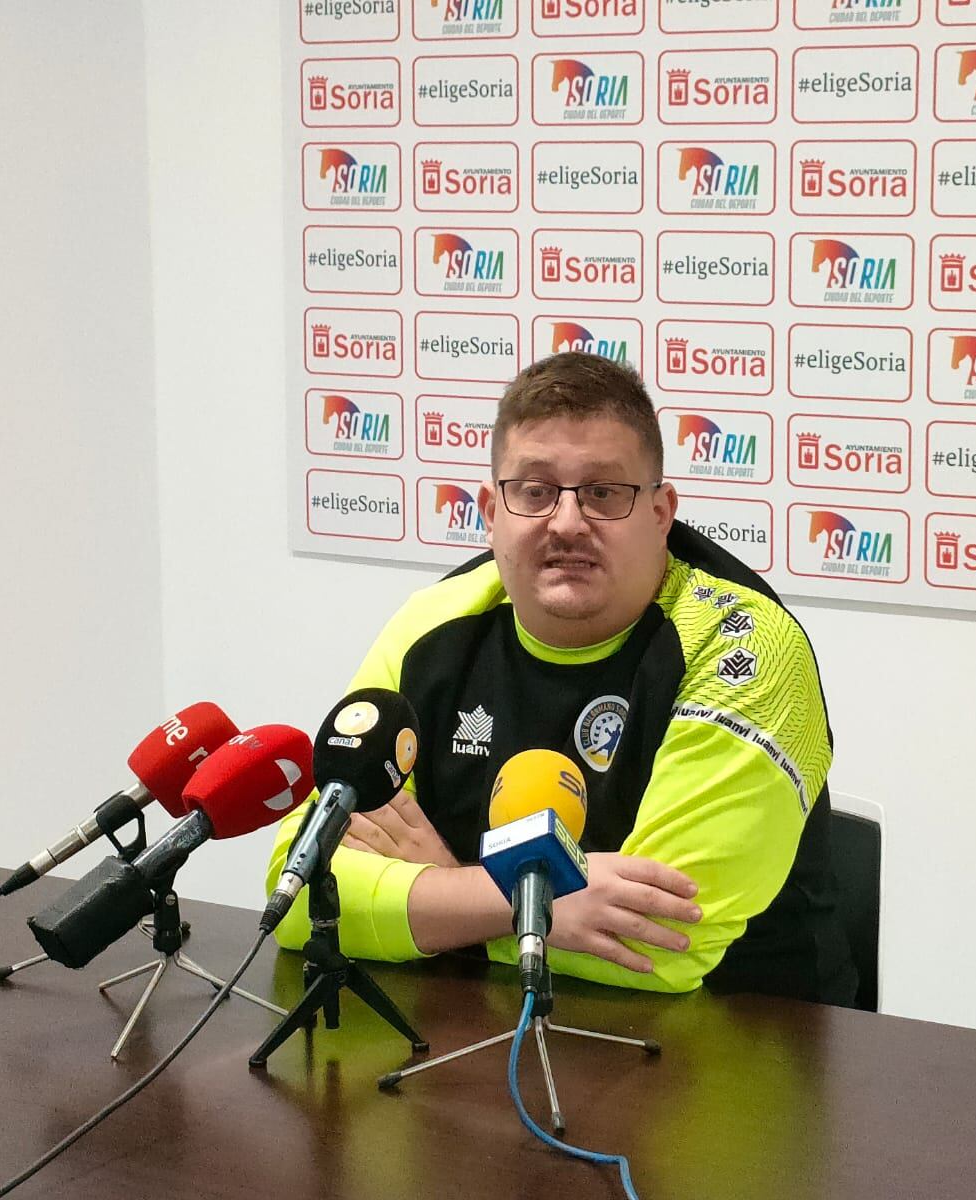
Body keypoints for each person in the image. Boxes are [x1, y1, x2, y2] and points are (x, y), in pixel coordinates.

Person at [268, 352, 857, 1006]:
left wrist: (439, 885)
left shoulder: (744, 647)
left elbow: (656, 949)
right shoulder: (430, 626)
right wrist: (521, 904)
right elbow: (297, 895)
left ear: (661, 513)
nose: (568, 522)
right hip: (473, 1035)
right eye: (536, 491)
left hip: (734, 1048)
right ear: (492, 511)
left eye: (604, 492)